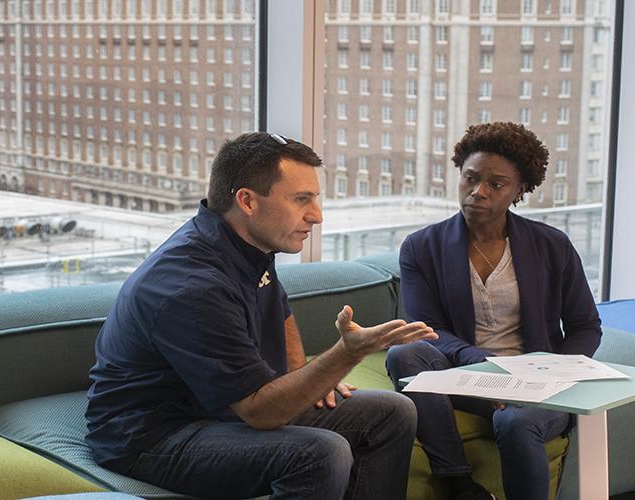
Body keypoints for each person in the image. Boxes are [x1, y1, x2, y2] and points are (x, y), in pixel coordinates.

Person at [86, 132, 437, 500]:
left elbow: (279, 309)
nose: (316, 216)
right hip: (151, 435)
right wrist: (346, 354)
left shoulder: (247, 243)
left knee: (393, 413)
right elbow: (260, 412)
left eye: (315, 199)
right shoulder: (191, 285)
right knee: (318, 454)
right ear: (247, 201)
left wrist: (311, 383)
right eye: (302, 200)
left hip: (216, 408)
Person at [386, 122, 603, 500]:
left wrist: (550, 376)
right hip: (465, 377)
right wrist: (485, 366)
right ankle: (459, 485)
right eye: (470, 178)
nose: (478, 192)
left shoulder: (553, 246)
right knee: (404, 354)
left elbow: (586, 326)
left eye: (496, 184)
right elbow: (428, 328)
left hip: (538, 387)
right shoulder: (422, 247)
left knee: (517, 421)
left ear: (520, 190)